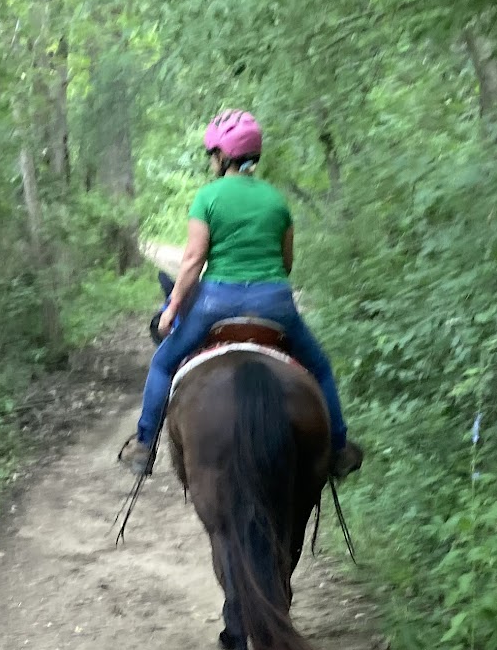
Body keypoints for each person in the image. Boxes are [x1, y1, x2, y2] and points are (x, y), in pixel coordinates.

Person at [123, 110, 362, 479]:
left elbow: (192, 260)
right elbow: (286, 263)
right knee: (319, 366)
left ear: (221, 156)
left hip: (216, 304)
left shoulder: (208, 197)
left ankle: (143, 446)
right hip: (275, 302)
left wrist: (172, 308)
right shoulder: (276, 201)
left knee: (163, 363)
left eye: (212, 154)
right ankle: (339, 448)